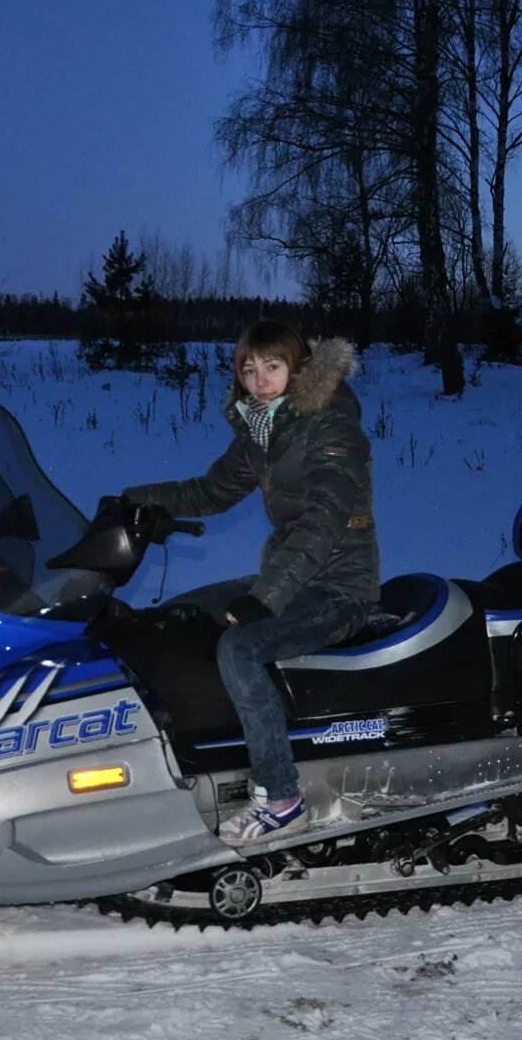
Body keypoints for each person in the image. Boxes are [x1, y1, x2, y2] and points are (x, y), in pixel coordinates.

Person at [116, 321, 378, 845]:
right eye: (249, 369)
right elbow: (210, 491)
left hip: (339, 588)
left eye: (272, 367)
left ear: (298, 367)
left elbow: (322, 524)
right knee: (185, 616)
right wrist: (132, 501)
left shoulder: (330, 428)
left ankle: (281, 798)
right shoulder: (266, 431)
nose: (259, 381)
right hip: (292, 577)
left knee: (239, 648)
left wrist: (266, 598)